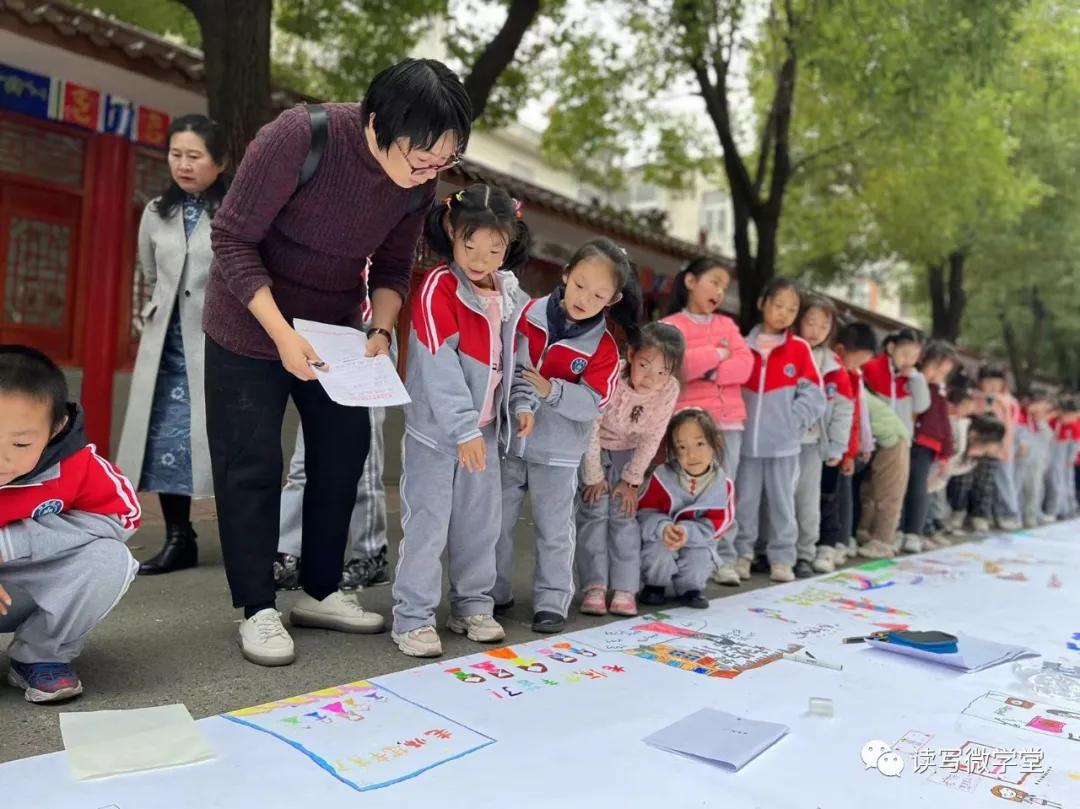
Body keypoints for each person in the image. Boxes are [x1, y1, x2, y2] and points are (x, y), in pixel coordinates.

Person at [202, 58, 472, 666]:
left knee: (344, 451)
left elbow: (395, 266)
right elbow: (232, 239)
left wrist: (381, 325)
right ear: (379, 123)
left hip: (334, 330)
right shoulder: (300, 137)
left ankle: (320, 589)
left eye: (441, 163)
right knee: (251, 464)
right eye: (420, 158)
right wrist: (281, 335)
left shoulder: (418, 181)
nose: (426, 174)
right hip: (249, 321)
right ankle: (258, 607)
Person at [390, 184, 531, 658]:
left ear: (508, 245)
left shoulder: (510, 293)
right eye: (470, 245)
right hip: (437, 434)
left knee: (480, 525)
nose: (480, 257)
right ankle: (412, 616)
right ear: (450, 230)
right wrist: (464, 429)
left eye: (494, 248)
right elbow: (438, 366)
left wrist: (521, 405)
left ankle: (472, 605)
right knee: (428, 524)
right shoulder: (437, 289)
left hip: (485, 434)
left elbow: (520, 358)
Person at [493, 238, 642, 635]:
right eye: (580, 285)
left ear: (612, 299)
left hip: (559, 455)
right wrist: (521, 407)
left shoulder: (605, 349)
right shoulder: (527, 314)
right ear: (565, 274)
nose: (584, 298)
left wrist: (552, 390)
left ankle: (552, 601)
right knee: (496, 522)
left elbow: (594, 404)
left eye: (598, 294)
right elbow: (514, 368)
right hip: (512, 443)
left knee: (554, 530)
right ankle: (493, 593)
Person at [116, 115, 226, 575]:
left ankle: (247, 536)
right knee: (163, 440)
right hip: (165, 347)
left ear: (220, 162)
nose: (183, 165)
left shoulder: (234, 213)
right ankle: (180, 536)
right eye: (175, 154)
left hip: (214, 343)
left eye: (194, 156)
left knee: (217, 439)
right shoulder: (156, 211)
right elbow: (148, 271)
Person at [0, 347, 141, 703]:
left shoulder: (76, 467)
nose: (2, 458)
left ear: (56, 428)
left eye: (21, 443)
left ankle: (39, 655)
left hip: (20, 588)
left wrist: (14, 543)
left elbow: (123, 517)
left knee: (109, 558)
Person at [275, 270, 396, 593]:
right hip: (318, 340)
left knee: (364, 463)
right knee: (306, 457)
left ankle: (370, 554)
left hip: (365, 341)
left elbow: (391, 278)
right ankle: (290, 552)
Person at [577, 322, 684, 616]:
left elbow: (653, 435)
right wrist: (594, 474)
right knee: (593, 513)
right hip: (594, 448)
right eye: (645, 365)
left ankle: (625, 588)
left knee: (624, 515)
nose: (651, 378)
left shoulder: (668, 390)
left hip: (630, 452)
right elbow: (591, 424)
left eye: (662, 372)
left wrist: (632, 480)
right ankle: (594, 586)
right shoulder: (613, 373)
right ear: (631, 354)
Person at [659, 259, 751, 581]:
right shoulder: (671, 327)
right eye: (714, 281)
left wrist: (707, 369)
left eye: (724, 286)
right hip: (688, 424)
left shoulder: (728, 326)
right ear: (690, 282)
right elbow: (678, 368)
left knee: (724, 491)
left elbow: (746, 366)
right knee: (686, 491)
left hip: (728, 424)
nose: (720, 291)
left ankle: (723, 557)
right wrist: (717, 355)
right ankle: (680, 558)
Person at [733, 278, 826, 583]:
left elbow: (814, 395)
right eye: (779, 305)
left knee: (782, 501)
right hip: (745, 443)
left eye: (792, 309)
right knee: (744, 501)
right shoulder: (742, 345)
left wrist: (792, 422)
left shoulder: (798, 349)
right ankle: (742, 554)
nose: (784, 313)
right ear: (763, 303)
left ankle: (782, 558)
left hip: (784, 445)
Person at [638, 409, 734, 609]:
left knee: (700, 556)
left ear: (715, 443)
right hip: (662, 536)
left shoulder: (722, 484)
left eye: (700, 444)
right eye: (682, 447)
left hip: (697, 539)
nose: (692, 454)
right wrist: (663, 528)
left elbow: (719, 525)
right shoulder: (661, 477)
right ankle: (655, 585)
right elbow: (644, 513)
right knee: (657, 550)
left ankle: (691, 589)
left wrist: (687, 532)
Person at [791, 295, 853, 578]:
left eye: (823, 324)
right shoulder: (786, 352)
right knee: (778, 499)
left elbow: (843, 408)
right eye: (810, 322)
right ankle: (772, 550)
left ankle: (805, 552)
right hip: (779, 442)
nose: (815, 330)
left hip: (814, 443)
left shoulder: (834, 365)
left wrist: (838, 446)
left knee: (807, 500)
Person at [817, 321, 876, 572]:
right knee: (826, 496)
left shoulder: (851, 376)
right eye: (857, 360)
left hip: (840, 447)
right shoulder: (835, 371)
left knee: (838, 495)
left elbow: (855, 417)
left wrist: (852, 450)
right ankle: (831, 541)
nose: (858, 367)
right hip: (824, 443)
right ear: (840, 351)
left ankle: (838, 540)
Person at [897, 341, 957, 553]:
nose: (937, 375)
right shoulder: (912, 380)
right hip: (906, 439)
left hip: (925, 444)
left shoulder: (938, 391)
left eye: (944, 372)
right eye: (935, 368)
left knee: (918, 487)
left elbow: (944, 424)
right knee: (901, 486)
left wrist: (946, 454)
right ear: (923, 360)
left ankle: (913, 532)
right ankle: (899, 530)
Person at [977, 365, 1022, 530]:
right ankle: (988, 514)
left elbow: (1010, 427)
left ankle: (1009, 513)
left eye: (996, 381)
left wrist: (1005, 448)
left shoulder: (1008, 401)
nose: (992, 385)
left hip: (1003, 445)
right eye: (987, 381)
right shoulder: (979, 398)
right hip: (982, 445)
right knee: (986, 483)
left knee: (1004, 480)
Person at [1015, 391, 1054, 529]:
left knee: (1036, 488)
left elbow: (1047, 441)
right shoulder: (1022, 416)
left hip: (1038, 460)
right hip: (1022, 459)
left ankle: (1033, 514)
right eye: (1041, 404)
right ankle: (1017, 514)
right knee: (1019, 487)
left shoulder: (1042, 422)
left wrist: (1042, 420)